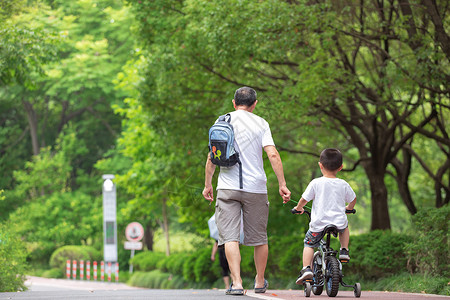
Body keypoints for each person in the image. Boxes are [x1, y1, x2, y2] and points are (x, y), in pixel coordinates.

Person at [202, 86, 291, 295]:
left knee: (230, 237)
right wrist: (282, 184)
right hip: (256, 188)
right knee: (259, 237)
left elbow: (211, 156)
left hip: (227, 187)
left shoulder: (221, 121)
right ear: (254, 104)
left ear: (234, 103)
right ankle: (259, 281)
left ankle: (237, 283)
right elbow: (273, 154)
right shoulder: (261, 123)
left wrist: (208, 184)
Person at [291, 148, 357, 283]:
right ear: (341, 167)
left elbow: (304, 199)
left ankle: (306, 269)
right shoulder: (343, 184)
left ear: (320, 165)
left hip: (319, 224)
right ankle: (344, 250)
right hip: (337, 223)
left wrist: (298, 208)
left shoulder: (316, 183)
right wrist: (349, 208)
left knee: (309, 243)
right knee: (344, 227)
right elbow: (353, 198)